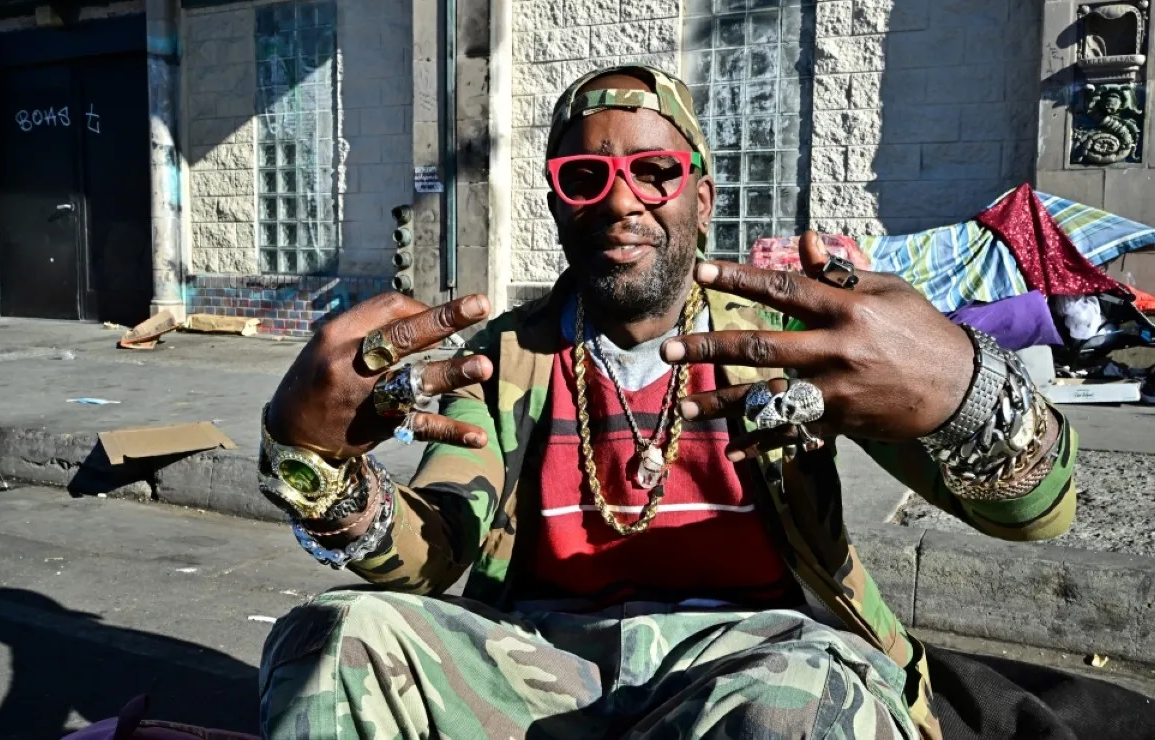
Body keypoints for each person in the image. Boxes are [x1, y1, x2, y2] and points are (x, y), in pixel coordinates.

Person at [255, 65, 1079, 740]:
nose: (622, 202)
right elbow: (436, 551)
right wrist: (319, 466)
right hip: (542, 666)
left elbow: (1038, 516)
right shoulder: (503, 355)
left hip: (753, 660)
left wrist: (963, 392)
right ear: (557, 207)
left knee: (800, 698)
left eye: (656, 173)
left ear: (704, 199)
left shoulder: (790, 345)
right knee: (329, 638)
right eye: (587, 178)